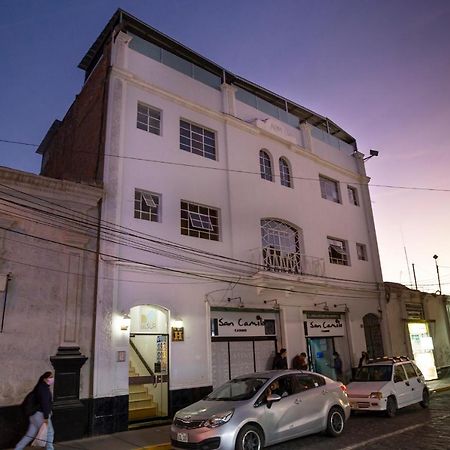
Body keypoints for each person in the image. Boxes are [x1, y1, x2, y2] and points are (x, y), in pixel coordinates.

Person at [15, 371, 55, 450]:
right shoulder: (44, 389)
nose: (52, 379)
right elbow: (45, 403)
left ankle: (18, 448)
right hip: (41, 415)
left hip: (33, 415)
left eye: (52, 377)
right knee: (50, 433)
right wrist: (46, 417)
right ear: (44, 379)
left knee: (30, 434)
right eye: (50, 377)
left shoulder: (39, 387)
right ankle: (50, 449)